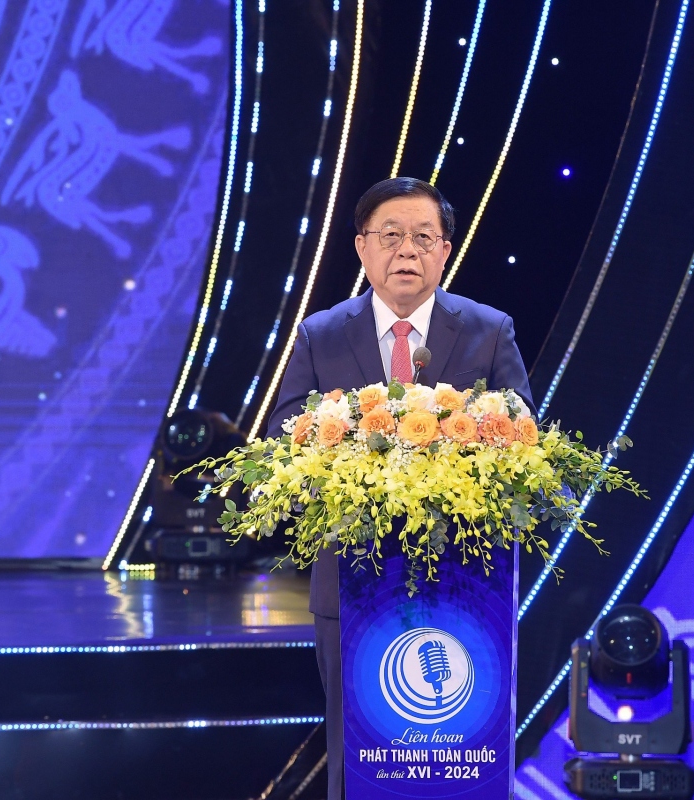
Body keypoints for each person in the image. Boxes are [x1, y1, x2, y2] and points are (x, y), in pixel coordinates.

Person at [266, 177, 533, 798]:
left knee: (461, 756)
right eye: (390, 236)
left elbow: (524, 433)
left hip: (466, 579)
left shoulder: (488, 329)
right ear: (362, 247)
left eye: (422, 237)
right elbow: (286, 431)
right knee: (358, 755)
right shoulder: (321, 333)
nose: (406, 250)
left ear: (445, 251)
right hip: (351, 579)